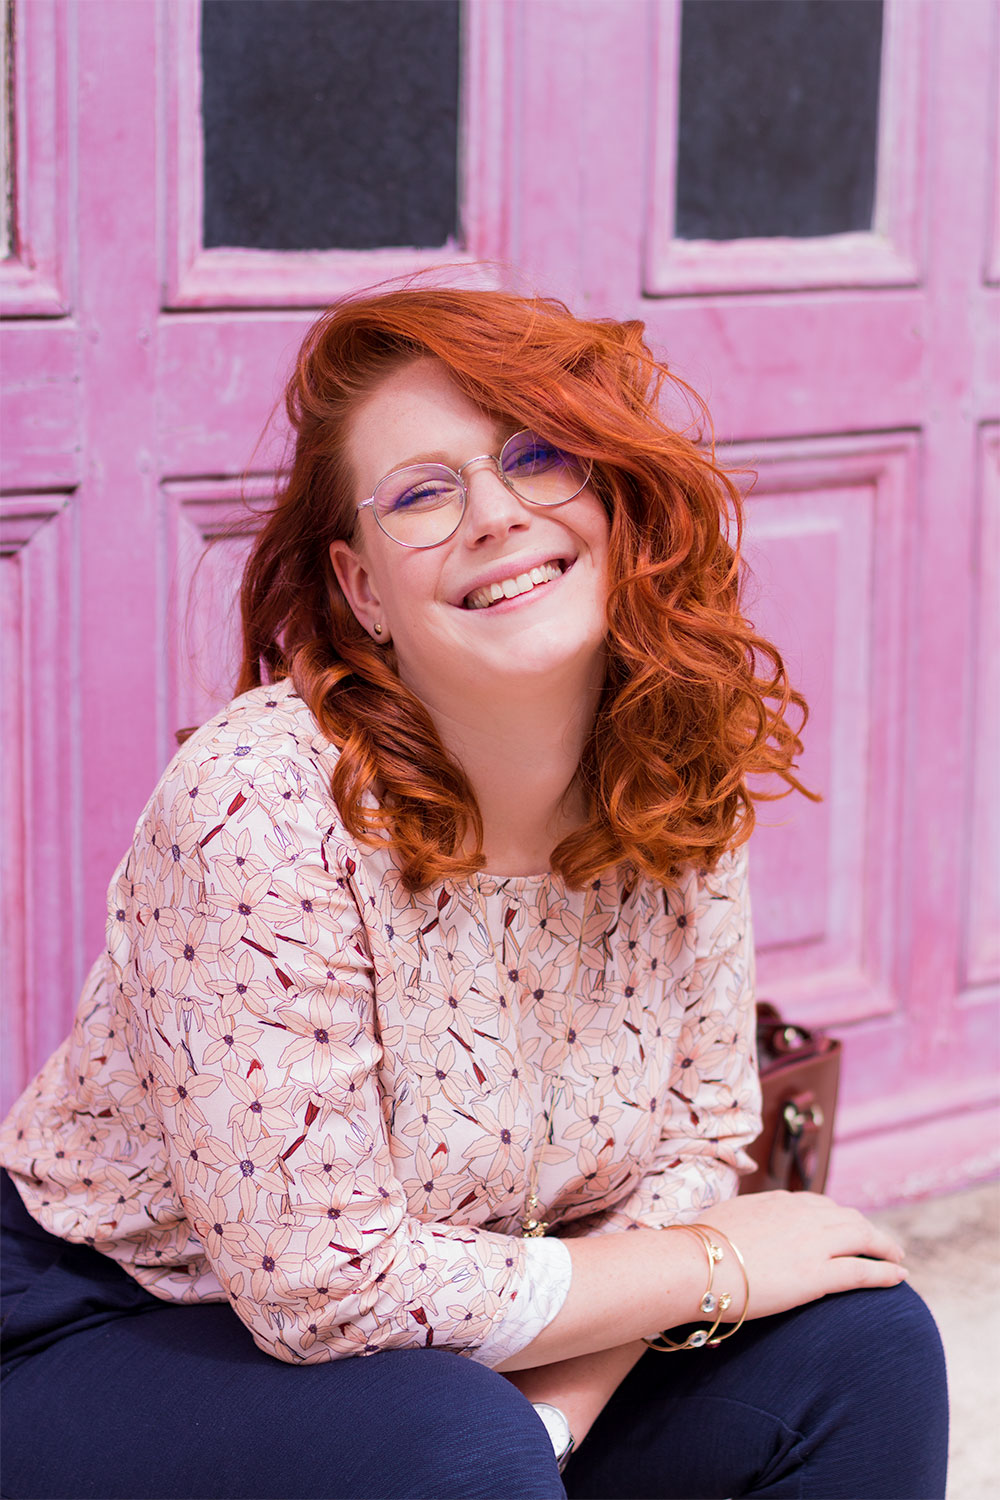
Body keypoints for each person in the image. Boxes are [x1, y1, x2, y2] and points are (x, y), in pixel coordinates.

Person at [0, 284, 947, 1500]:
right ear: (360, 592)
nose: (495, 514)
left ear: (609, 498)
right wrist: (710, 1268)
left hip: (482, 1333)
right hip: (120, 1326)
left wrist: (566, 1400)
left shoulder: (670, 762)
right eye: (421, 493)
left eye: (536, 457)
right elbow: (318, 1288)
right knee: (445, 1446)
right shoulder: (263, 801)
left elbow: (700, 1130)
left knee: (863, 1346)